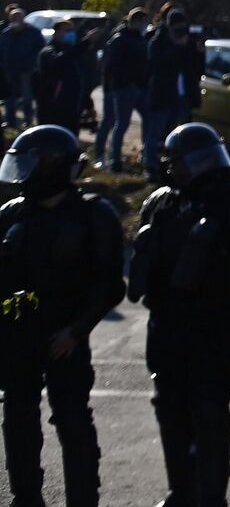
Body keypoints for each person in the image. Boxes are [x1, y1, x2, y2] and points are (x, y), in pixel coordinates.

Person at [130, 122, 230, 507]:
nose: (200, 168)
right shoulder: (162, 204)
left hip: (218, 324)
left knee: (211, 412)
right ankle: (180, 492)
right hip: (168, 327)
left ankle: (213, 498)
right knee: (170, 412)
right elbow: (140, 270)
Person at [0, 125, 124, 507]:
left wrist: (76, 331)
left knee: (73, 423)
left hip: (66, 340)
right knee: (18, 422)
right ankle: (26, 498)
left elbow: (110, 286)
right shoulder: (11, 213)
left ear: (51, 167)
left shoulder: (93, 215)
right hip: (19, 337)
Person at [145, 7, 203, 180]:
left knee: (179, 134)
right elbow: (157, 65)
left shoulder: (189, 42)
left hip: (184, 95)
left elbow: (197, 69)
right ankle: (151, 166)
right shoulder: (158, 42)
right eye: (177, 25)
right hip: (163, 95)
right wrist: (177, 47)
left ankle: (177, 167)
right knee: (156, 133)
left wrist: (198, 53)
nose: (181, 28)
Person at [99, 7, 150, 171]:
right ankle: (115, 160)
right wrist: (127, 82)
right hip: (124, 88)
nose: (145, 25)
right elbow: (112, 66)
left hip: (139, 87)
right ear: (135, 21)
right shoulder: (120, 39)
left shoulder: (140, 39)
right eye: (143, 21)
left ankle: (146, 153)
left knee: (148, 118)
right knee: (121, 123)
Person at [32, 19, 91, 133]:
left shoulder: (75, 56)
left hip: (72, 110)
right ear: (56, 33)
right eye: (66, 30)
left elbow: (80, 81)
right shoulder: (48, 52)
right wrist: (85, 42)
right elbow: (60, 60)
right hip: (52, 111)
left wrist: (88, 104)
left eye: (71, 31)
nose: (70, 34)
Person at [0, 4, 43, 129]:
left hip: (26, 69)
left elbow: (39, 49)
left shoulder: (33, 32)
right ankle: (10, 120)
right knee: (9, 96)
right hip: (9, 69)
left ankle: (28, 120)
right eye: (13, 18)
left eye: (17, 18)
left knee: (27, 96)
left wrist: (33, 63)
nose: (15, 21)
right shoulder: (6, 33)